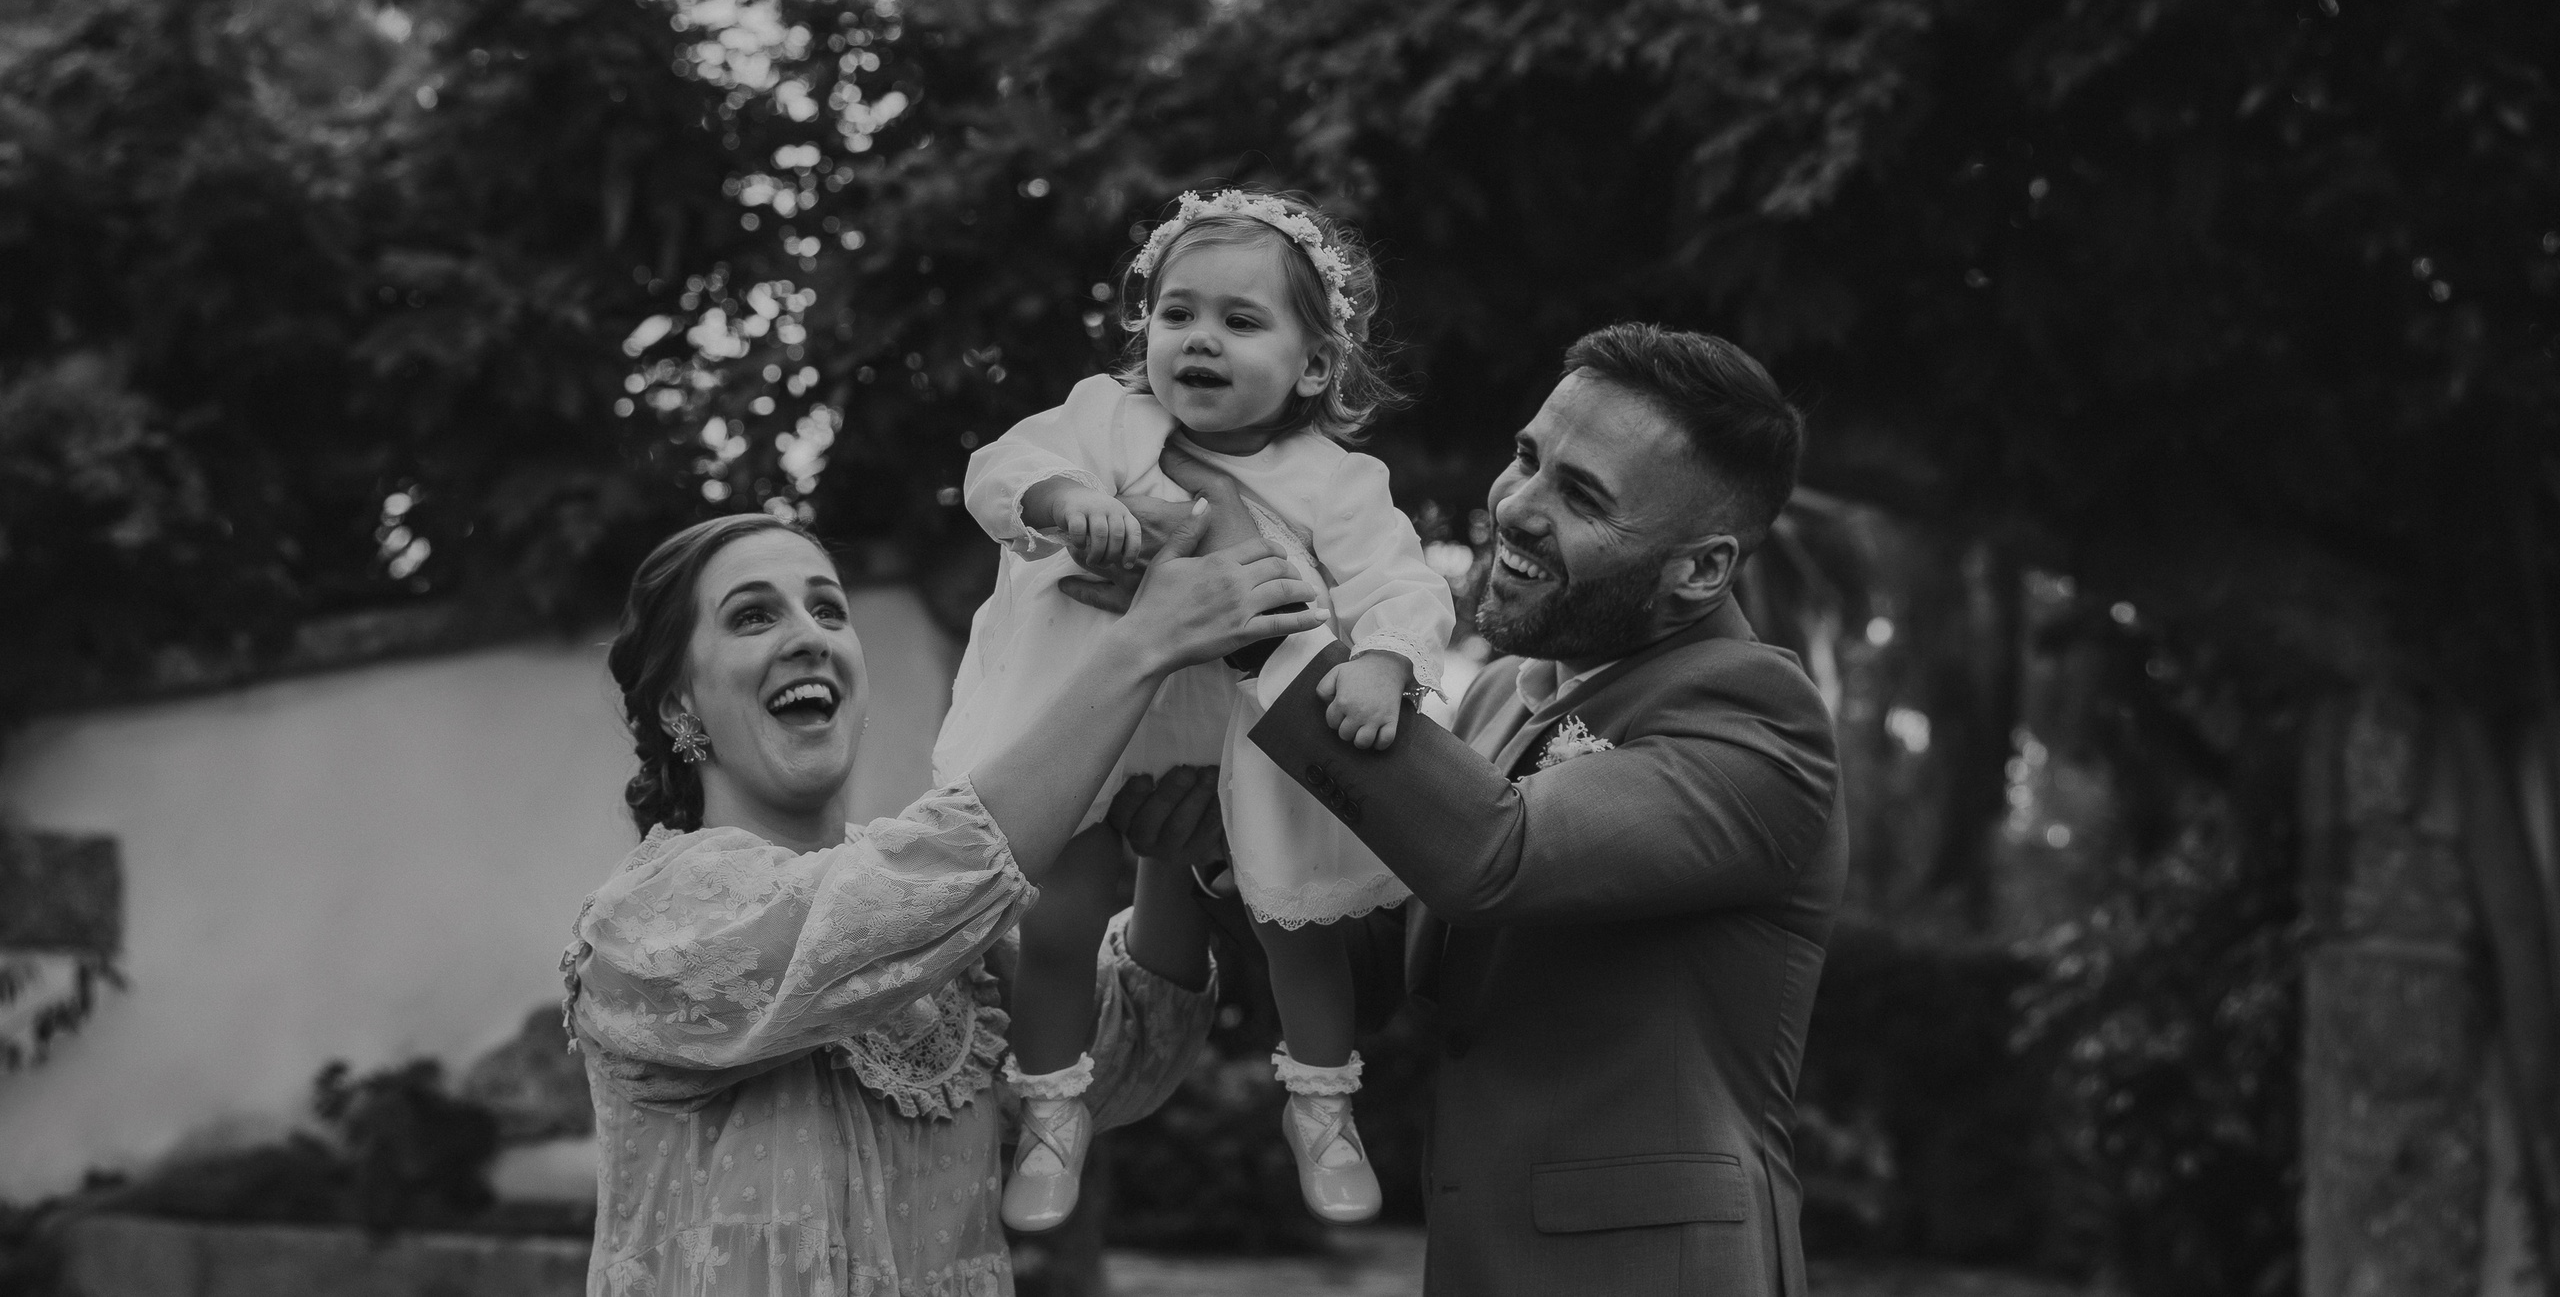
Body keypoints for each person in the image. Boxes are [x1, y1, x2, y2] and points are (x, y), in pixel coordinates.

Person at [1119, 323, 1847, 1297]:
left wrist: (1267, 639)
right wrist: (1229, 842)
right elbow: (1387, 964)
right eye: (1527, 458)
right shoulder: (1501, 694)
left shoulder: (1758, 719)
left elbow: (1494, 854)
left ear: (1701, 571)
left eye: (1582, 496)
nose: (1516, 507)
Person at [560, 507, 1319, 1297]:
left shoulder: (948, 934)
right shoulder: (646, 920)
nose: (809, 634)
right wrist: (1136, 647)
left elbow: (1119, 1058)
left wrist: (1172, 837)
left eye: (828, 609)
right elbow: (891, 897)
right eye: (752, 615)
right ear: (680, 704)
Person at [930, 189, 1454, 1233]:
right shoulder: (1106, 418)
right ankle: (1049, 1115)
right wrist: (1059, 502)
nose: (1198, 340)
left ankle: (1321, 1102)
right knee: (1059, 916)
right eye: (1176, 315)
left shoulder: (1337, 480)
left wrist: (1386, 662)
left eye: (1239, 321)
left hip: (1236, 738)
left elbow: (1405, 586)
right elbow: (1001, 466)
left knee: (1290, 912)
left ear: (1312, 366)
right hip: (1090, 713)